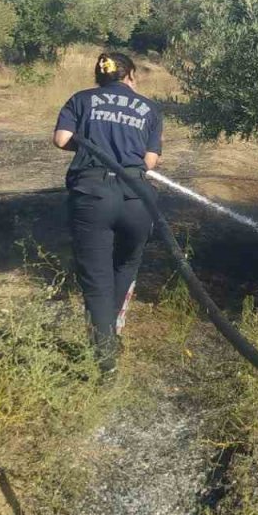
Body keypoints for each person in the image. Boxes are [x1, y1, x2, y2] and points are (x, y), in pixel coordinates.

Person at [52, 52, 164, 376]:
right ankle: (110, 334)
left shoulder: (81, 99)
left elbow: (60, 140)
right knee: (126, 265)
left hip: (92, 196)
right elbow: (150, 162)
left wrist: (89, 145)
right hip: (137, 198)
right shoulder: (149, 108)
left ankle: (105, 360)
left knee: (97, 280)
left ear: (99, 77)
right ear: (130, 76)